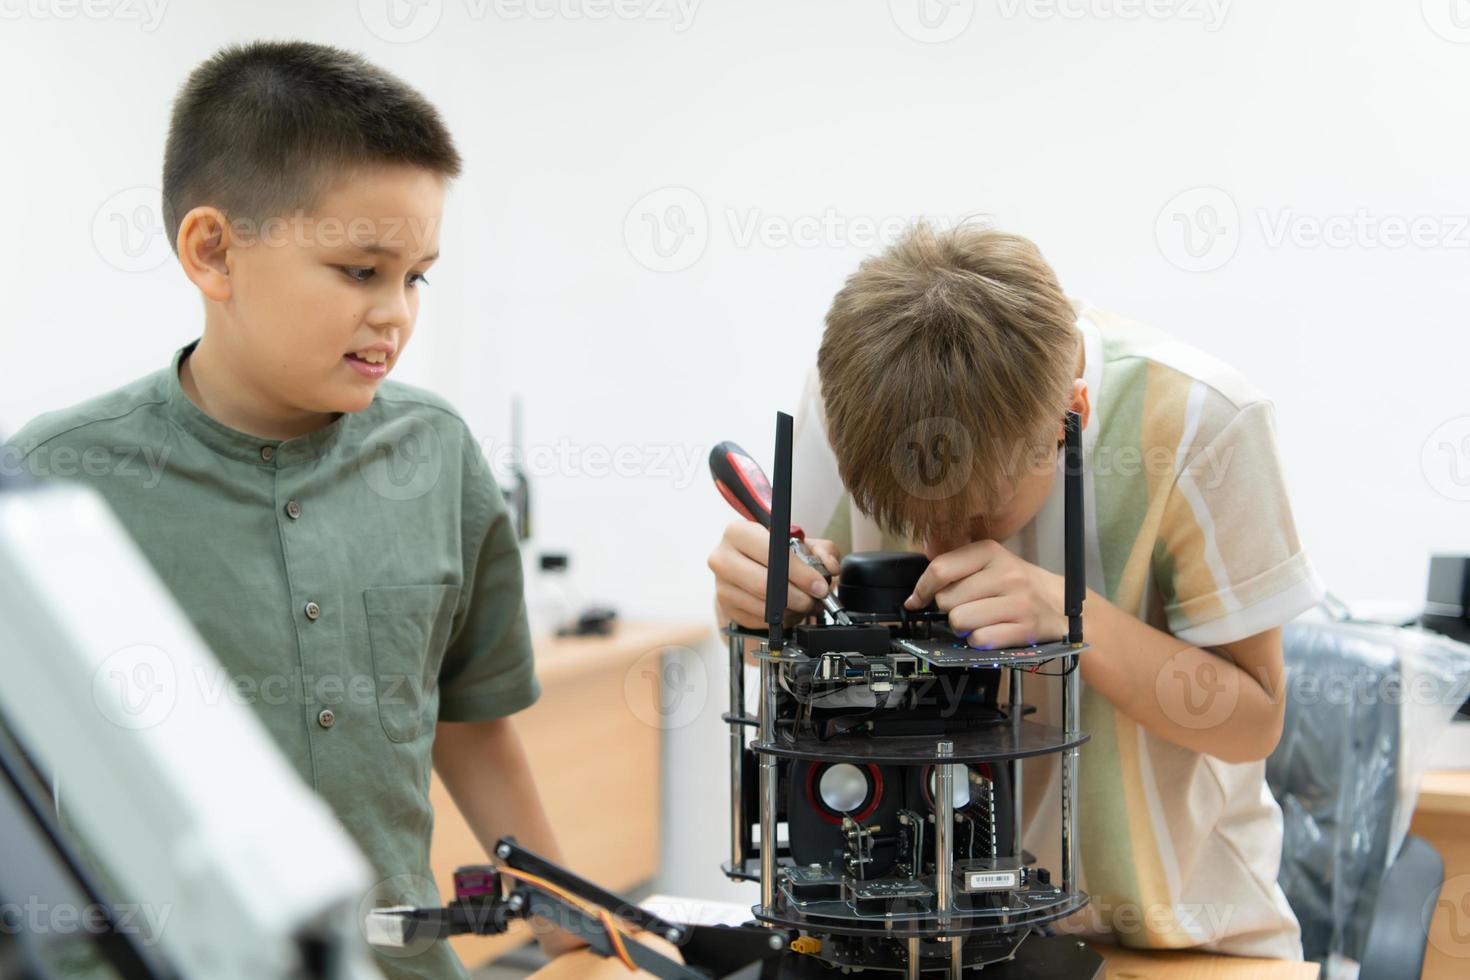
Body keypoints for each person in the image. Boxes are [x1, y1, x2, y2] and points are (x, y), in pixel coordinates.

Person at [10, 40, 578, 979]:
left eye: (416, 276)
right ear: (213, 251)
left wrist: (573, 928)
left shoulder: (436, 453)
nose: (396, 313)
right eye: (360, 271)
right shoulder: (51, 487)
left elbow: (468, 721)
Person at [707, 222, 1324, 958]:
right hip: (908, 940)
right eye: (909, 521)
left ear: (1075, 416)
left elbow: (1253, 719)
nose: (938, 549)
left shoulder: (1201, 423)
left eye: (976, 519)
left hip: (1167, 943)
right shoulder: (858, 395)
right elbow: (784, 656)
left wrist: (1072, 617)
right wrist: (750, 609)